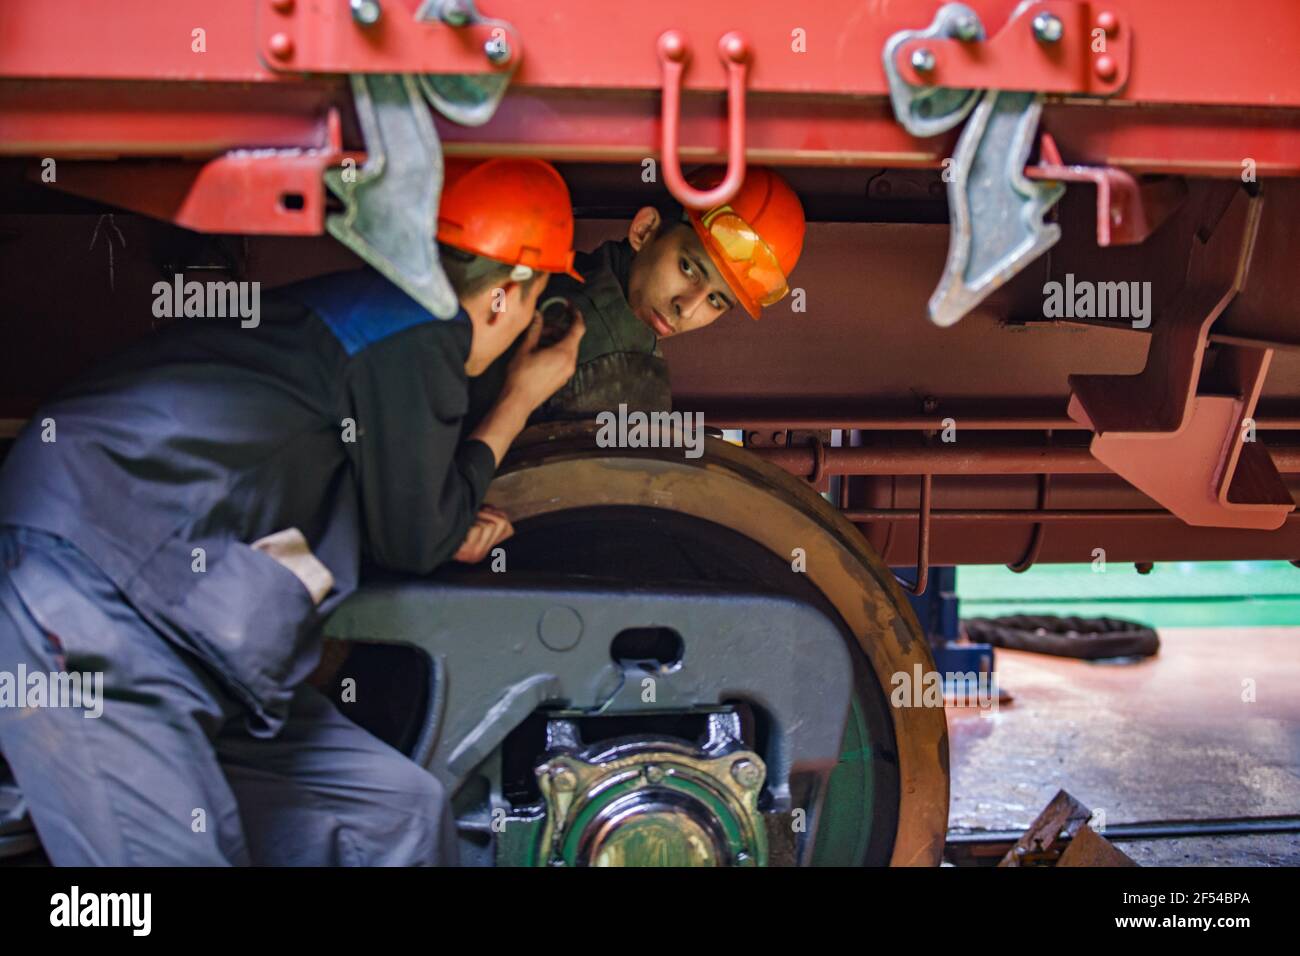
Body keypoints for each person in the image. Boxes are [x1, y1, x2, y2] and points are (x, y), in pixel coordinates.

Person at [0, 157, 585, 865]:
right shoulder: (419, 331)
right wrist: (517, 401)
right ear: (506, 297)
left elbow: (394, 509)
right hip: (98, 596)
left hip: (185, 627)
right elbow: (417, 537)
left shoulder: (364, 324)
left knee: (395, 815)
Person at [467, 165, 806, 426]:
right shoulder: (630, 378)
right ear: (644, 230)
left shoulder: (550, 278)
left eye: (716, 300)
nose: (687, 309)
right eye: (688, 268)